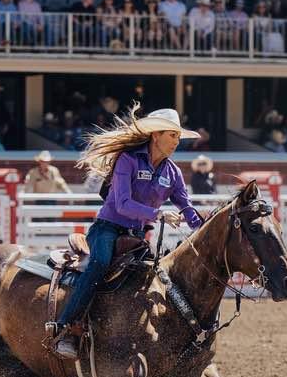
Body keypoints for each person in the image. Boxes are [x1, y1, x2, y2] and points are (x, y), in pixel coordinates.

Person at [51, 106, 204, 359]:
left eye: (178, 137)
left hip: (135, 237)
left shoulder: (173, 172)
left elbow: (186, 207)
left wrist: (204, 229)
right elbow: (122, 204)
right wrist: (158, 214)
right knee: (99, 264)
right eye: (172, 135)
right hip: (107, 229)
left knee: (158, 277)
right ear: (156, 135)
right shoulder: (128, 160)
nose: (177, 142)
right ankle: (66, 327)